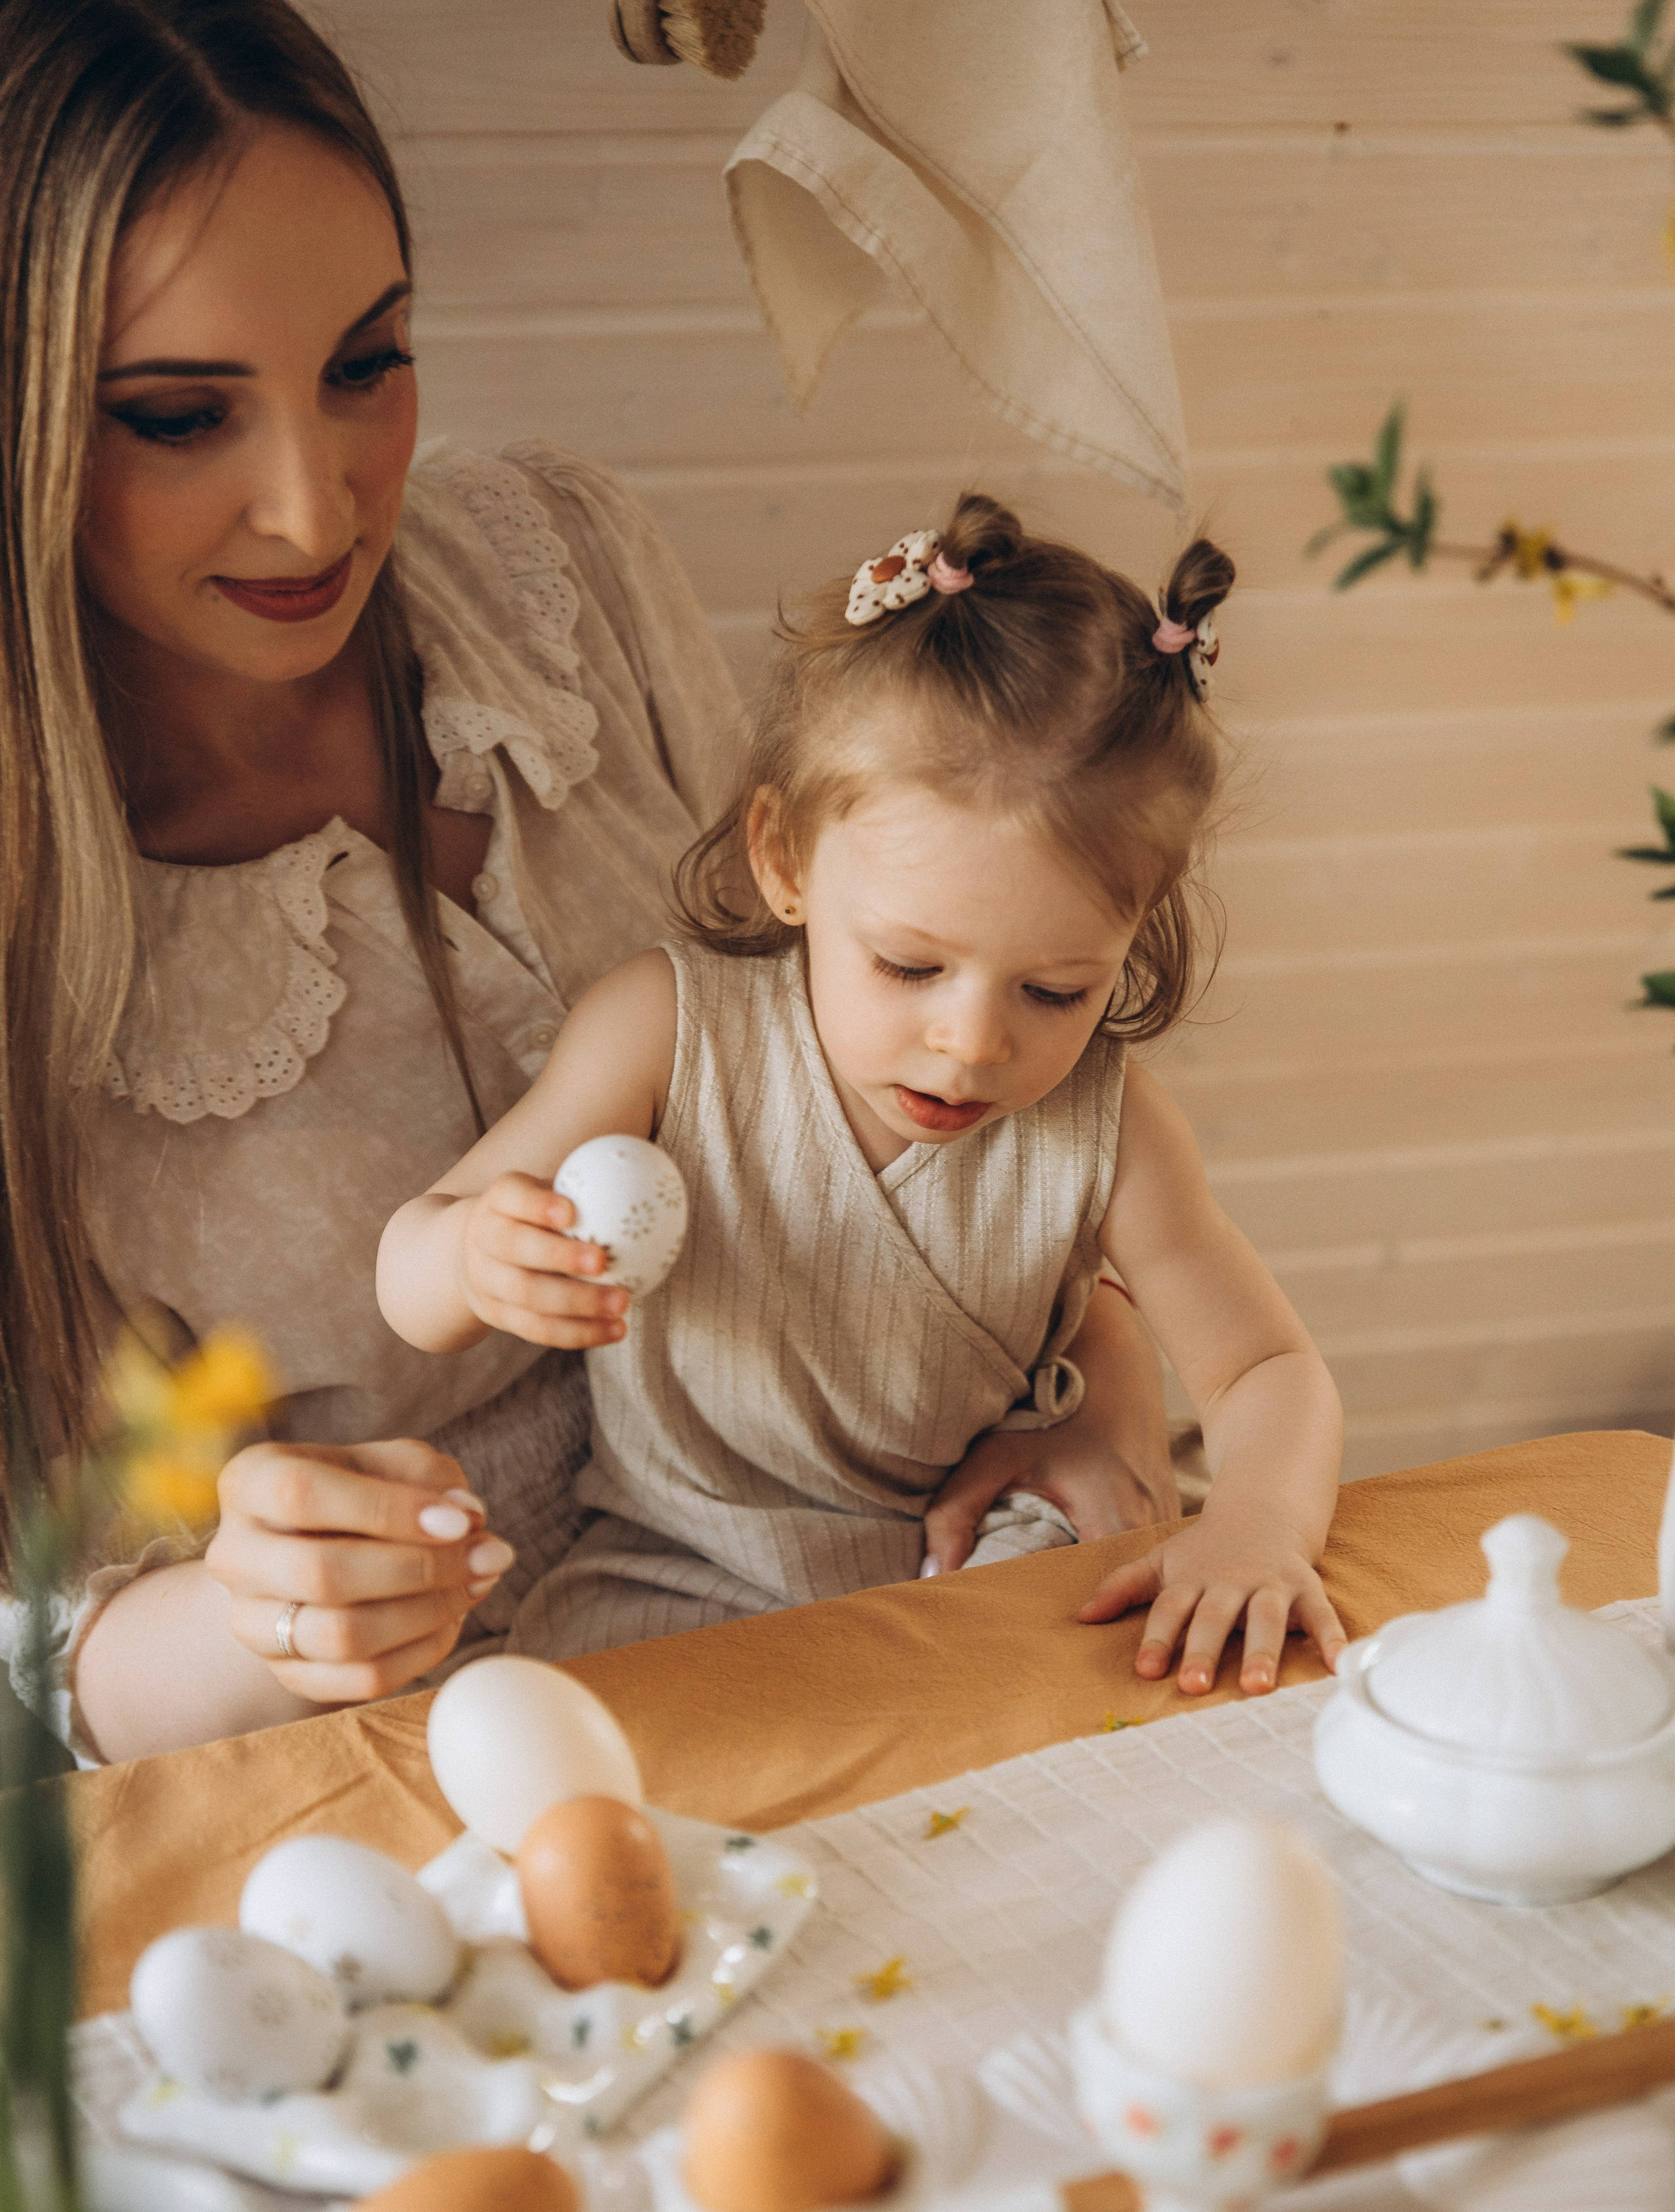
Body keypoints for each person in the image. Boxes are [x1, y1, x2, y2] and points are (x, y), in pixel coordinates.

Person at [0, 0, 1180, 1765]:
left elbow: (874, 1045)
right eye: (177, 417)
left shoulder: (556, 564)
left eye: (369, 361)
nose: (316, 512)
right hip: (419, 1772)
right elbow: (38, 1659)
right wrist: (248, 1621)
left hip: (873, 1585)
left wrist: (1100, 1377)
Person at [379, 502, 1349, 1689]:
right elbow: (412, 1278)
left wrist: (1260, 1524)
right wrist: (478, 1257)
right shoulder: (665, 1034)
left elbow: (1266, 1371)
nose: (970, 1044)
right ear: (785, 860)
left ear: (1134, 930)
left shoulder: (1113, 1132)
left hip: (993, 1553)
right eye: (909, 966)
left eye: (1053, 990)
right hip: (681, 1571)